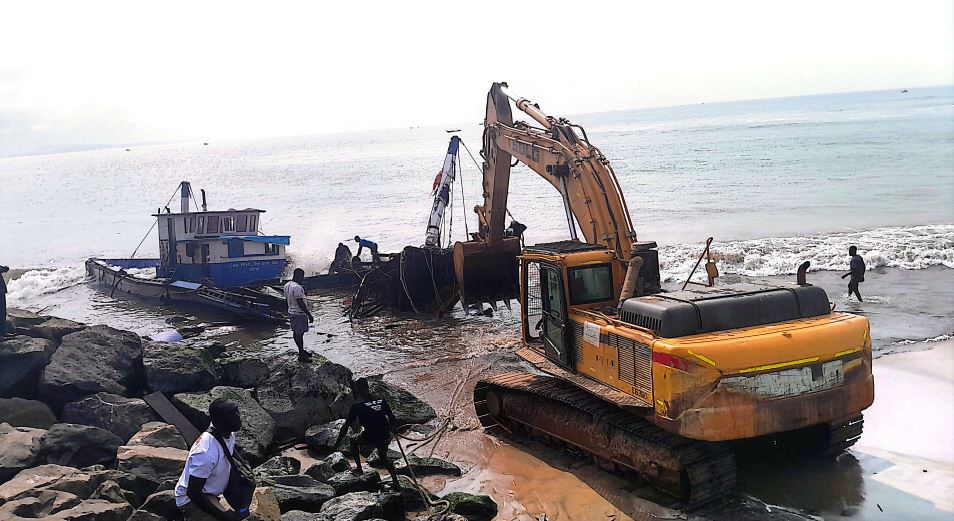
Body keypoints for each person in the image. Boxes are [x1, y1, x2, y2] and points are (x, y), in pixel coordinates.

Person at [175, 399, 247, 521]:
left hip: (212, 488)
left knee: (247, 484)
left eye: (237, 412)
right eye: (231, 415)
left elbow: (229, 448)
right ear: (218, 421)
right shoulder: (205, 452)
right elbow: (193, 492)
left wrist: (244, 465)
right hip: (192, 499)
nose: (238, 417)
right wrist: (223, 516)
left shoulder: (228, 432)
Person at [333, 377, 401, 488]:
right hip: (385, 435)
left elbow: (346, 426)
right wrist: (395, 429)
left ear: (358, 390)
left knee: (353, 440)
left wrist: (337, 444)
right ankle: (395, 480)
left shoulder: (357, 405)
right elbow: (392, 418)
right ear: (368, 387)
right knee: (383, 456)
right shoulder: (381, 399)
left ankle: (359, 469)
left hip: (370, 436)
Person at [283, 268, 314, 361]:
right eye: (302, 276)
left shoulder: (287, 285)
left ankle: (301, 351)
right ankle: (301, 354)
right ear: (299, 276)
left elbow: (288, 298)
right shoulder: (297, 287)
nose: (302, 278)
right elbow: (300, 303)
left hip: (291, 312)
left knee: (296, 332)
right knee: (299, 334)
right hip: (299, 313)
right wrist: (309, 314)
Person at [0, 265, 8, 338]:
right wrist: (4, 268)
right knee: (1, 312)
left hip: (1, 290)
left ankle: (3, 332)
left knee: (3, 312)